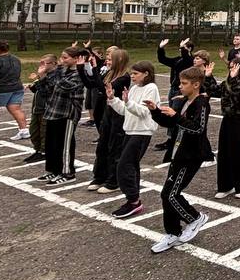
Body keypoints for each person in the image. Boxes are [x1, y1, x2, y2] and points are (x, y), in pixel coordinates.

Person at [146, 65, 211, 253]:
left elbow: (198, 129)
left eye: (184, 83)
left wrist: (176, 117)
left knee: (171, 194)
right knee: (166, 194)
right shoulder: (183, 101)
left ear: (196, 85)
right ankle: (172, 233)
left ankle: (195, 218)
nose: (180, 86)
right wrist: (155, 111)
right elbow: (170, 123)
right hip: (178, 154)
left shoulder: (201, 103)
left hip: (190, 156)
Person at [105, 60, 161, 219]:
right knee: (131, 166)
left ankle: (134, 201)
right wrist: (113, 99)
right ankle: (134, 200)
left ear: (146, 74)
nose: (132, 76)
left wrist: (128, 102)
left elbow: (144, 112)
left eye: (135, 73)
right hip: (130, 131)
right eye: (132, 73)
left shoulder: (151, 88)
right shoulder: (134, 88)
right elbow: (125, 110)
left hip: (142, 132)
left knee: (124, 166)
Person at [202, 56, 240, 199]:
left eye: (234, 66)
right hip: (227, 120)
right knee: (224, 153)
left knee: (236, 154)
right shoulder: (228, 82)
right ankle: (226, 185)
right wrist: (208, 77)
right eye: (230, 66)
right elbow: (214, 91)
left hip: (239, 121)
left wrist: (234, 79)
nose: (231, 69)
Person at [84, 47, 131, 195]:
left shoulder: (124, 77)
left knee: (114, 148)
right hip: (107, 113)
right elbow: (92, 83)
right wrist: (82, 68)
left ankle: (113, 180)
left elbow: (102, 88)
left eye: (110, 59)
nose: (107, 62)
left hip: (118, 114)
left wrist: (95, 68)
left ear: (119, 60)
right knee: (102, 146)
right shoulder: (110, 73)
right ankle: (99, 176)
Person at [37, 47, 85, 184]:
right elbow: (47, 90)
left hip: (68, 113)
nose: (62, 60)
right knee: (52, 144)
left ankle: (68, 173)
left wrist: (56, 70)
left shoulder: (79, 73)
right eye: (61, 57)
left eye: (65, 58)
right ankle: (53, 170)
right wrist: (42, 76)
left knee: (65, 146)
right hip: (54, 111)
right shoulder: (62, 71)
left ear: (76, 59)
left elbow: (65, 86)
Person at [155, 37, 194, 153]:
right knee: (170, 112)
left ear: (189, 49)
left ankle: (173, 140)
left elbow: (187, 58)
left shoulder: (190, 60)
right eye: (180, 48)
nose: (180, 50)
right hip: (173, 89)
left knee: (174, 113)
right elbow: (163, 59)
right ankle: (170, 138)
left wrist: (183, 48)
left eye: (183, 48)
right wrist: (161, 48)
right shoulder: (178, 60)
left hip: (181, 91)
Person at [23, 54, 57, 163]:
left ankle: (44, 152)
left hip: (46, 109)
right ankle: (38, 150)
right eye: (41, 63)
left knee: (44, 132)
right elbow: (36, 90)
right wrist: (33, 85)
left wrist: (40, 78)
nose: (42, 65)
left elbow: (46, 92)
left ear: (53, 64)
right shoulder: (43, 75)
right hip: (37, 108)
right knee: (34, 131)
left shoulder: (54, 76)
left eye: (44, 63)